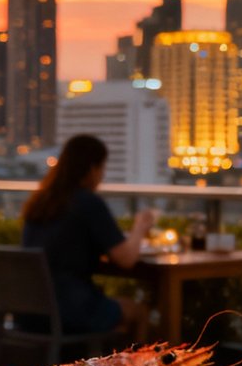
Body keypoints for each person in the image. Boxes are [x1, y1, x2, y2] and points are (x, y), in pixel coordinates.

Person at [21, 134, 155, 337]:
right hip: (68, 310)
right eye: (102, 168)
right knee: (138, 312)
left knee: (117, 322)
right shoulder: (88, 203)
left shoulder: (40, 202)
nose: (102, 175)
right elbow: (126, 259)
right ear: (93, 169)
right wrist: (140, 227)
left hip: (28, 311)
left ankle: (95, 365)